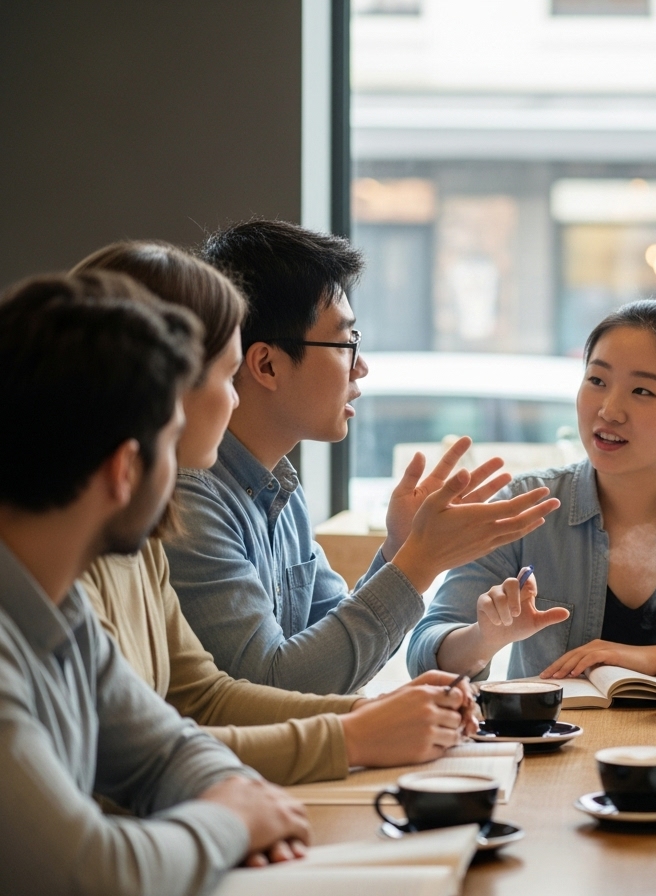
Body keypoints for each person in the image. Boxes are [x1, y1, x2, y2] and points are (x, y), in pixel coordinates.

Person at [72, 241, 477, 786]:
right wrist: (417, 565)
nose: (233, 397)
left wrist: (370, 717)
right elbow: (137, 758)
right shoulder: (176, 507)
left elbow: (207, 696)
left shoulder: (146, 537)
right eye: (224, 371)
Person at [0, 272, 311, 894]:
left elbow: (165, 751)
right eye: (170, 440)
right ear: (124, 470)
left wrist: (236, 803)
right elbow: (91, 872)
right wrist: (230, 820)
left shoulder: (57, 611)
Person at [162, 220, 560, 693]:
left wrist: (399, 548)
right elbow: (273, 684)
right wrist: (419, 561)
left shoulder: (277, 486)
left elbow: (332, 652)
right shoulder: (190, 501)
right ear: (266, 364)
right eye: (346, 342)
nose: (362, 365)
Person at [407, 299, 656, 682]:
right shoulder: (527, 505)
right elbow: (425, 652)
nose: (608, 410)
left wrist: (651, 659)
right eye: (597, 380)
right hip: (554, 749)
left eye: (642, 391)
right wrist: (484, 638)